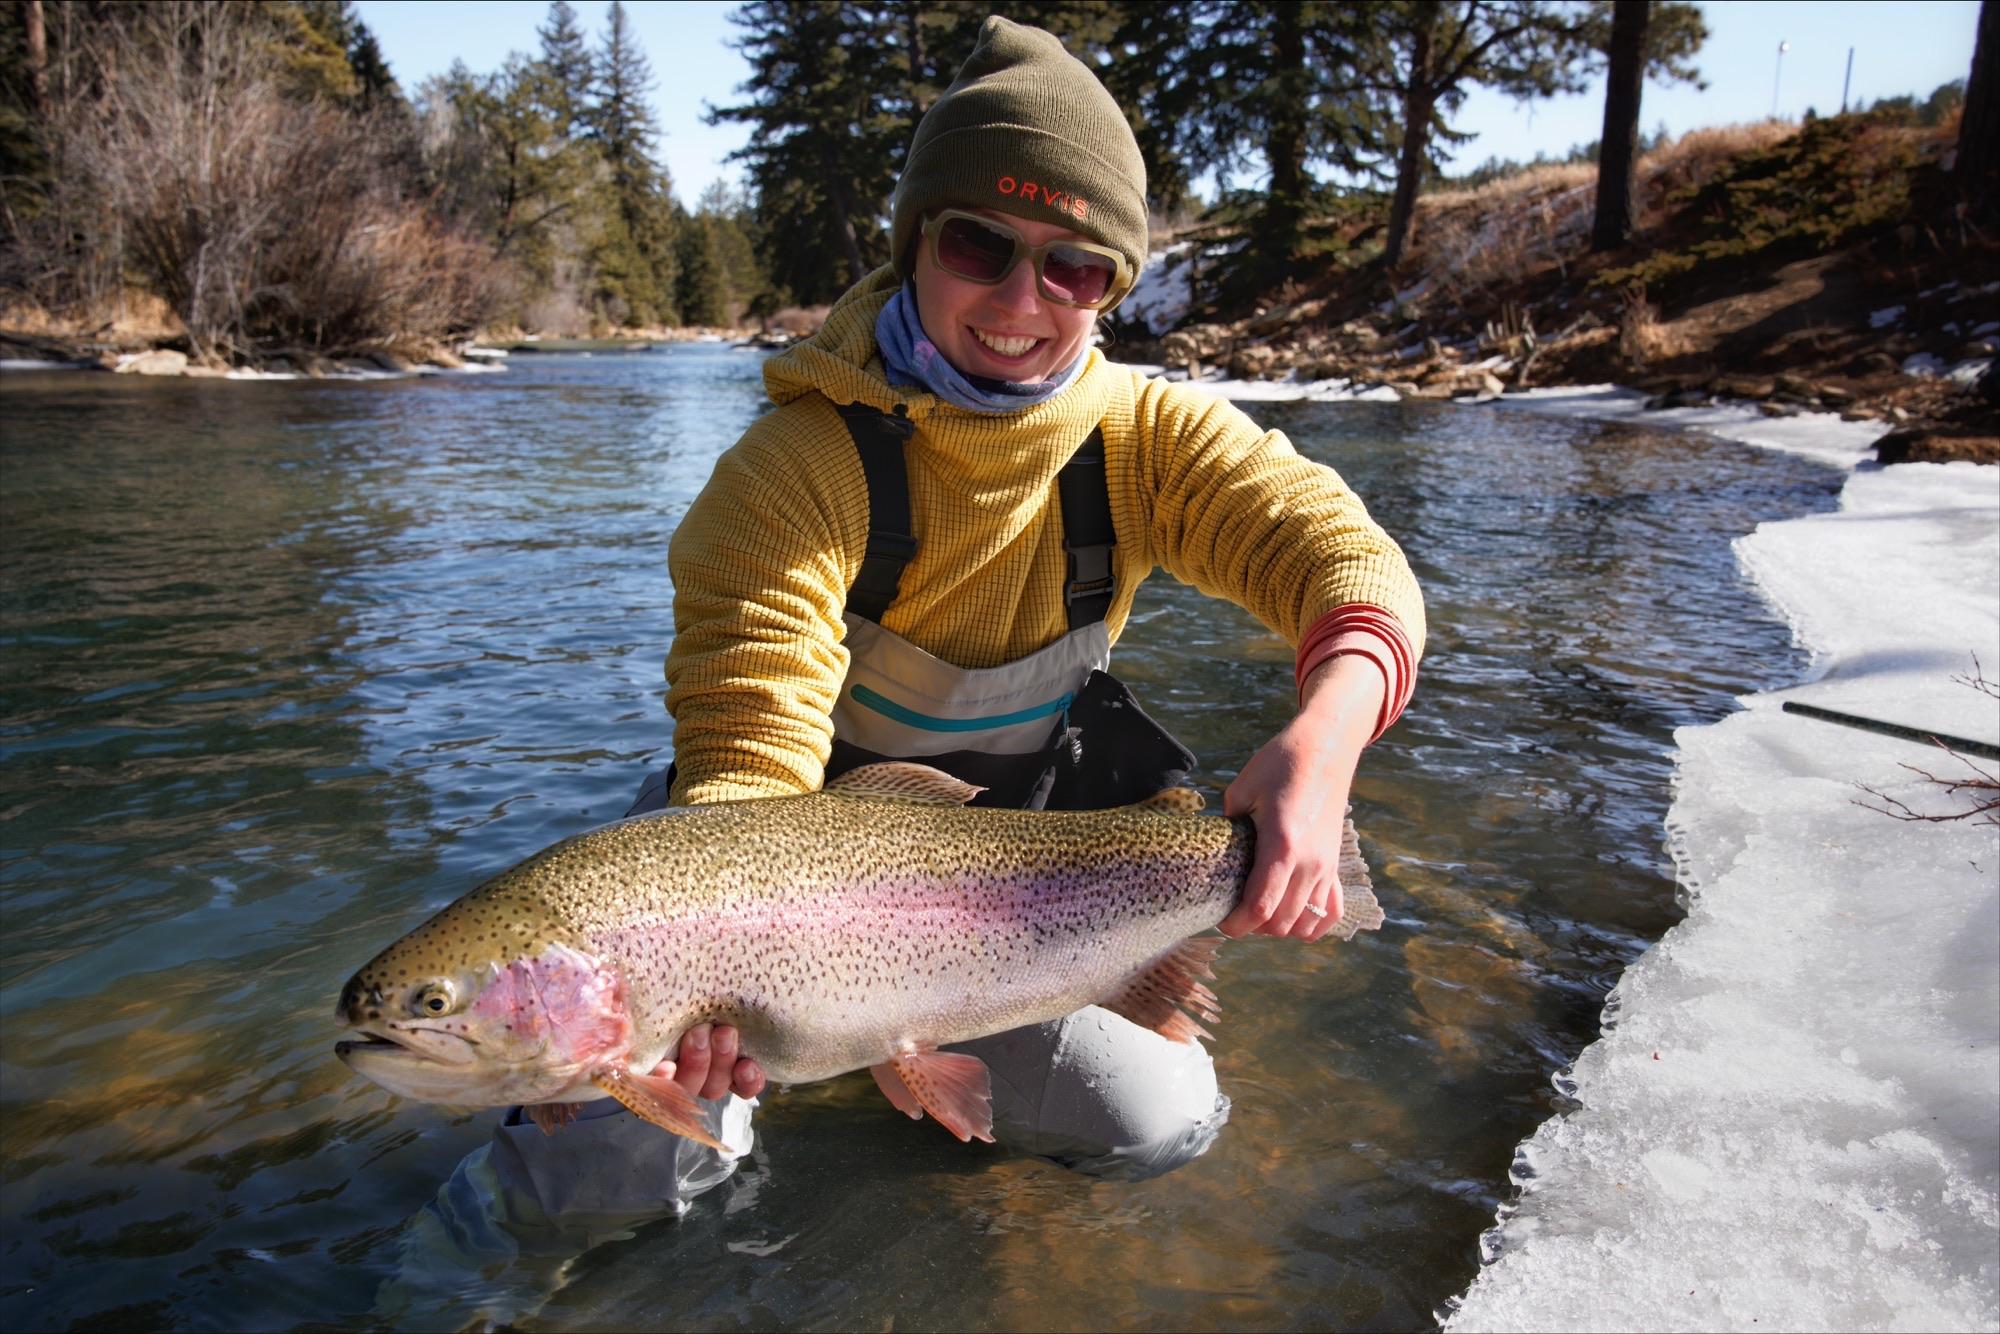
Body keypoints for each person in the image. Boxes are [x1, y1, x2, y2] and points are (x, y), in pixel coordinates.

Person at [478, 14, 1425, 1220]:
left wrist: (1324, 742)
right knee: (582, 1197)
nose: (1022, 298)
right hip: (754, 905)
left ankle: (902, 1076)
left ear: (1112, 287)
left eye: (1073, 265)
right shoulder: (791, 472)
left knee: (1158, 1120)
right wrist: (719, 981)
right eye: (981, 244)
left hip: (990, 910)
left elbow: (1346, 558)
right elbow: (745, 764)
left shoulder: (1146, 442)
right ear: (918, 241)